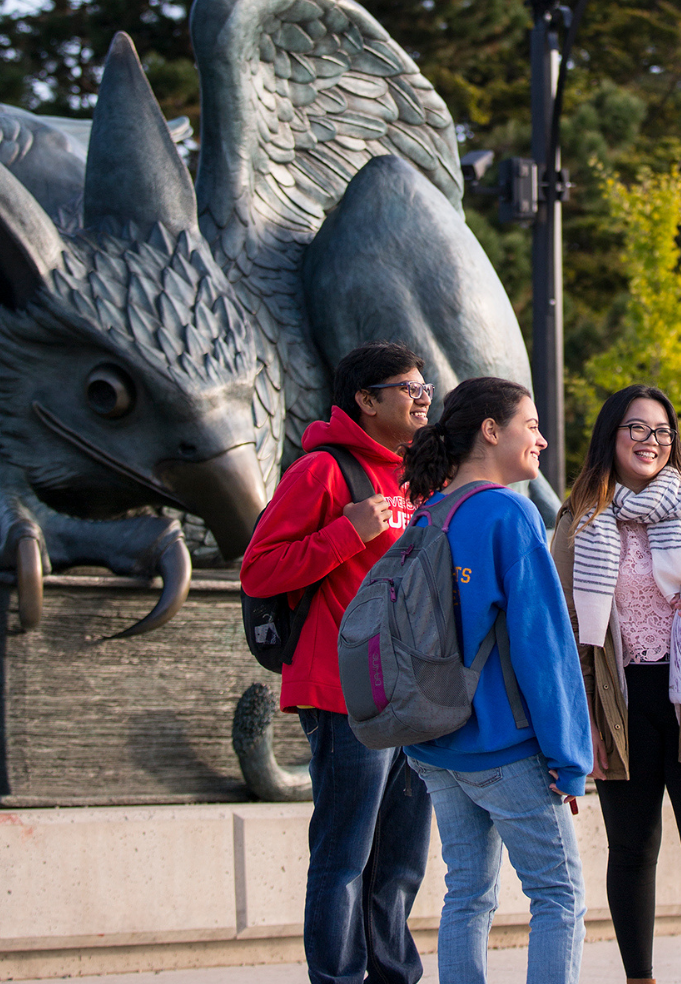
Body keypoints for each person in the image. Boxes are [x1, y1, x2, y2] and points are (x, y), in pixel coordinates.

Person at [550, 384, 681, 984]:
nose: (651, 442)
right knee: (632, 851)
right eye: (636, 429)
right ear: (610, 437)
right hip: (618, 702)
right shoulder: (578, 517)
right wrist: (580, 718)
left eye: (662, 431)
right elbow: (567, 626)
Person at [240, 340, 434, 984]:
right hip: (344, 694)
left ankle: (394, 976)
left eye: (424, 386)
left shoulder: (417, 478)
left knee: (402, 861)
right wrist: (347, 531)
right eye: (408, 388)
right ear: (367, 399)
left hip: (412, 698)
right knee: (345, 854)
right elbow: (260, 568)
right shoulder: (322, 472)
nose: (422, 396)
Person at [399, 376, 591, 984]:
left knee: (468, 896)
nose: (540, 438)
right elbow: (545, 646)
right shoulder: (510, 512)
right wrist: (569, 757)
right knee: (559, 898)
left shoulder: (428, 512)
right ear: (490, 431)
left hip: (434, 742)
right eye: (530, 425)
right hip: (503, 747)